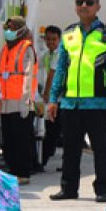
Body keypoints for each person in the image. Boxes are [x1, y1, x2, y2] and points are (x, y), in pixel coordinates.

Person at [46, 0, 106, 203]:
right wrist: (53, 99)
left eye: (89, 2)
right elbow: (61, 69)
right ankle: (69, 188)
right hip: (70, 104)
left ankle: (103, 189)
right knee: (70, 150)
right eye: (79, 2)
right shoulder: (68, 34)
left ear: (98, 6)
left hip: (98, 103)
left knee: (102, 149)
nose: (83, 6)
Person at [0, 15, 37, 185]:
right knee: (9, 140)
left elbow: (29, 76)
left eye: (12, 28)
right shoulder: (6, 49)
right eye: (7, 28)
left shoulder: (26, 48)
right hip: (6, 103)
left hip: (20, 103)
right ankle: (13, 170)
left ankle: (23, 172)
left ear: (20, 30)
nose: (9, 31)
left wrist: (25, 101)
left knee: (22, 140)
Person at [39, 25, 63, 169]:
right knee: (53, 130)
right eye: (48, 39)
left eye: (54, 39)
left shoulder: (59, 54)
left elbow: (52, 75)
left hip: (62, 99)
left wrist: (47, 94)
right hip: (57, 99)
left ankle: (43, 161)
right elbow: (36, 63)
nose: (51, 42)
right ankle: (44, 159)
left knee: (55, 131)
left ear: (59, 40)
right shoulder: (48, 54)